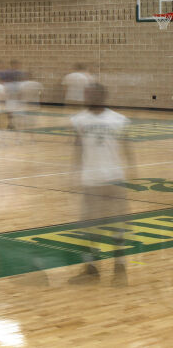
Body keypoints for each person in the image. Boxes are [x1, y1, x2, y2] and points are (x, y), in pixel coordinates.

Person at [69, 83, 133, 285]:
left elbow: (128, 147)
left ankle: (120, 267)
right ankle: (92, 268)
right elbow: (77, 147)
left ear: (102, 97)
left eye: (92, 94)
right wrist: (73, 173)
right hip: (91, 179)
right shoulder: (78, 120)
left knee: (118, 224)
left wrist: (133, 172)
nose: (89, 97)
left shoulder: (119, 120)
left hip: (114, 178)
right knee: (90, 225)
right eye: (87, 94)